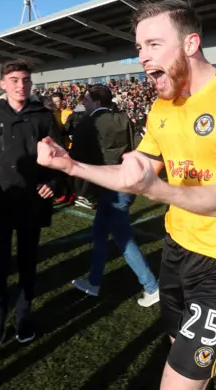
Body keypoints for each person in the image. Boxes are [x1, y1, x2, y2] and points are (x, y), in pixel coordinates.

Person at [37, 0, 216, 390]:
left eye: (153, 45)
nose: (142, 57)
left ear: (190, 44)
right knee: (180, 353)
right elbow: (135, 172)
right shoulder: (163, 107)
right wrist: (72, 167)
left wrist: (155, 188)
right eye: (140, 48)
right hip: (175, 251)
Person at [0, 60, 62, 347]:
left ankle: (23, 316)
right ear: (3, 84)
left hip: (32, 204)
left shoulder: (43, 116)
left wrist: (51, 183)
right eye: (15, 80)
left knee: (28, 264)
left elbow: (59, 157)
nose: (22, 85)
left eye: (26, 80)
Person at [69, 85, 160, 306]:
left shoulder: (88, 124)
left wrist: (80, 190)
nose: (85, 104)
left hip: (109, 186)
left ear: (97, 103)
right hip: (126, 182)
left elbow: (77, 159)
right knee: (100, 234)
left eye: (88, 101)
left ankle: (152, 286)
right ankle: (94, 281)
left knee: (123, 238)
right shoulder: (124, 119)